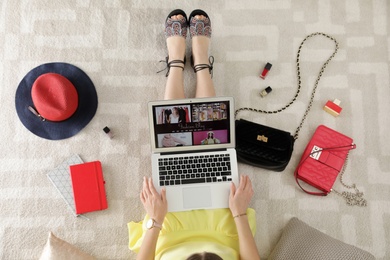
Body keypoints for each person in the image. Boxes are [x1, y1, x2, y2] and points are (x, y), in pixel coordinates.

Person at [128, 9, 260, 260]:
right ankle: (201, 65)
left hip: (168, 228)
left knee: (172, 145)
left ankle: (176, 63)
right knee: (211, 143)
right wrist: (240, 214)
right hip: (223, 226)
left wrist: (155, 221)